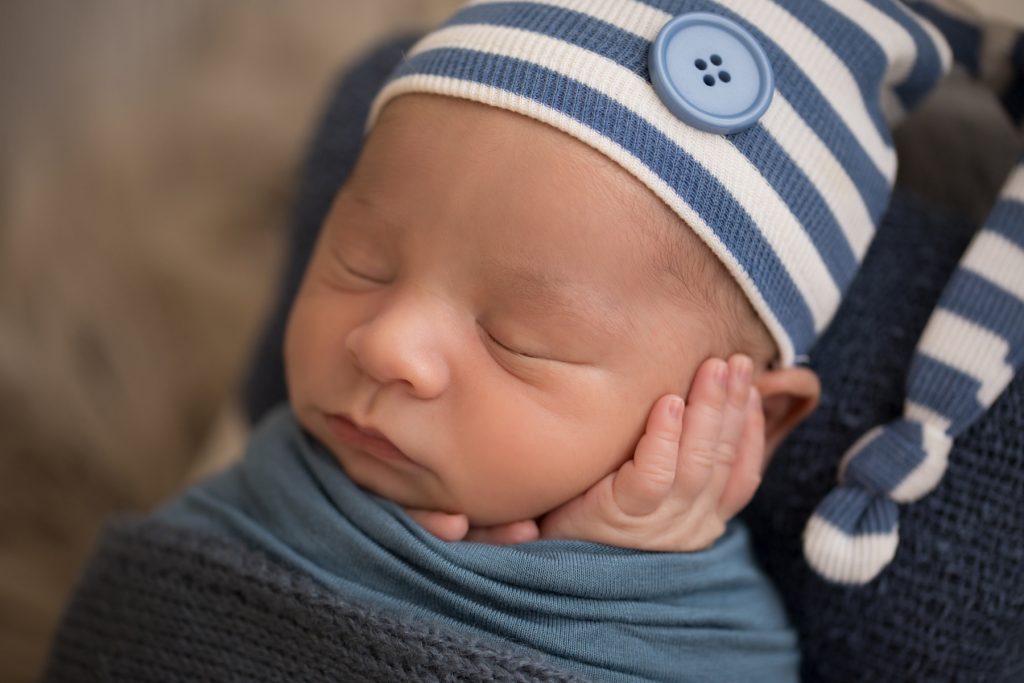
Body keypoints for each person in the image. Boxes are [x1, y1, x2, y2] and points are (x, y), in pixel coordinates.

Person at [45, 2, 958, 681]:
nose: (387, 342)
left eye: (521, 337)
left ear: (751, 425)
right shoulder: (267, 484)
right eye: (360, 261)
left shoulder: (700, 625)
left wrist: (619, 580)